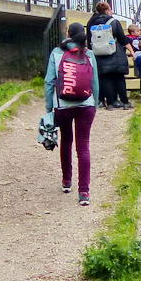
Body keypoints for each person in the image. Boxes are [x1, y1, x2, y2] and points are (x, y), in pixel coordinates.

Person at [44, 22, 100, 206]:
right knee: (83, 147)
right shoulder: (89, 53)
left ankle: (67, 181)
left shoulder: (57, 53)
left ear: (68, 34)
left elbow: (49, 81)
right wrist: (95, 103)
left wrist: (48, 107)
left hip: (63, 105)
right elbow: (95, 82)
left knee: (66, 141)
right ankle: (84, 192)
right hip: (86, 105)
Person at [87, 1, 133, 110]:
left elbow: (89, 41)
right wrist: (132, 51)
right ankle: (125, 102)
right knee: (119, 78)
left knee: (105, 78)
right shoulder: (114, 22)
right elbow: (122, 39)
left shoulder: (91, 23)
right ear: (107, 10)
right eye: (111, 9)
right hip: (115, 54)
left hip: (99, 55)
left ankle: (110, 103)